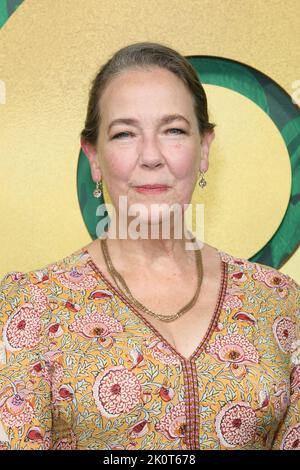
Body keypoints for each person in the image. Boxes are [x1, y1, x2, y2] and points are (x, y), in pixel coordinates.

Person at [0, 42, 299, 451]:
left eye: (173, 130)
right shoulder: (31, 306)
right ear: (93, 157)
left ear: (204, 147)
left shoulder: (279, 303)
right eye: (124, 134)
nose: (152, 156)